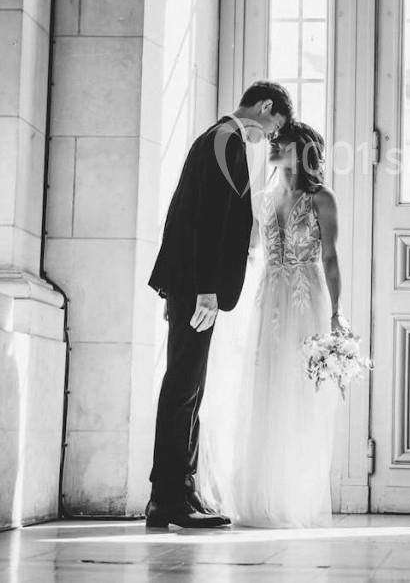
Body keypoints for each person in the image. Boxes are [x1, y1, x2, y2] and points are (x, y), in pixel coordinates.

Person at [145, 81, 293, 529]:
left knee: (186, 388)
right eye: (273, 128)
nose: (268, 138)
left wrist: (174, 287)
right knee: (184, 390)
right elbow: (206, 222)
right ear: (265, 107)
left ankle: (176, 493)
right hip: (198, 287)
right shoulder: (225, 140)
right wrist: (203, 289)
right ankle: (171, 498)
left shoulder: (213, 137)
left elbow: (182, 214)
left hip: (188, 284)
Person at [198, 120, 344, 528]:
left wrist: (335, 312)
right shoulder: (261, 199)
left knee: (298, 393)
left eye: (282, 142)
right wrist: (209, 288)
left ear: (301, 152)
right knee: (264, 386)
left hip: (305, 296)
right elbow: (245, 251)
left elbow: (330, 257)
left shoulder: (322, 198)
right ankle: (260, 496)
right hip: (267, 296)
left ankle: (293, 496)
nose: (273, 145)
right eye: (275, 140)